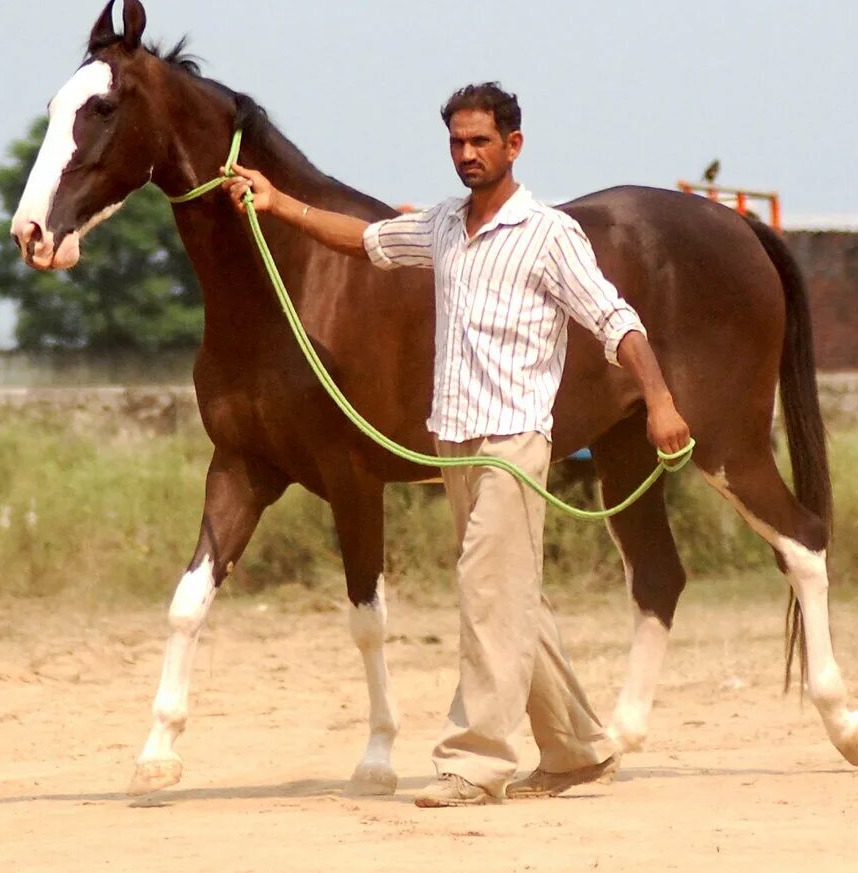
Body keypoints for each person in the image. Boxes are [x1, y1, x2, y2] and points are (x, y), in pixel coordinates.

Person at [224, 83, 690, 807]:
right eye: (456, 142)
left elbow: (615, 319)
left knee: (484, 591)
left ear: (514, 145)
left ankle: (474, 763)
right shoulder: (442, 226)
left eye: (480, 141)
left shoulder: (549, 234)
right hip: (456, 442)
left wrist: (659, 400)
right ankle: (576, 747)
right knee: (508, 597)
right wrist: (281, 204)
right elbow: (365, 239)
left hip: (513, 442)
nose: (467, 154)